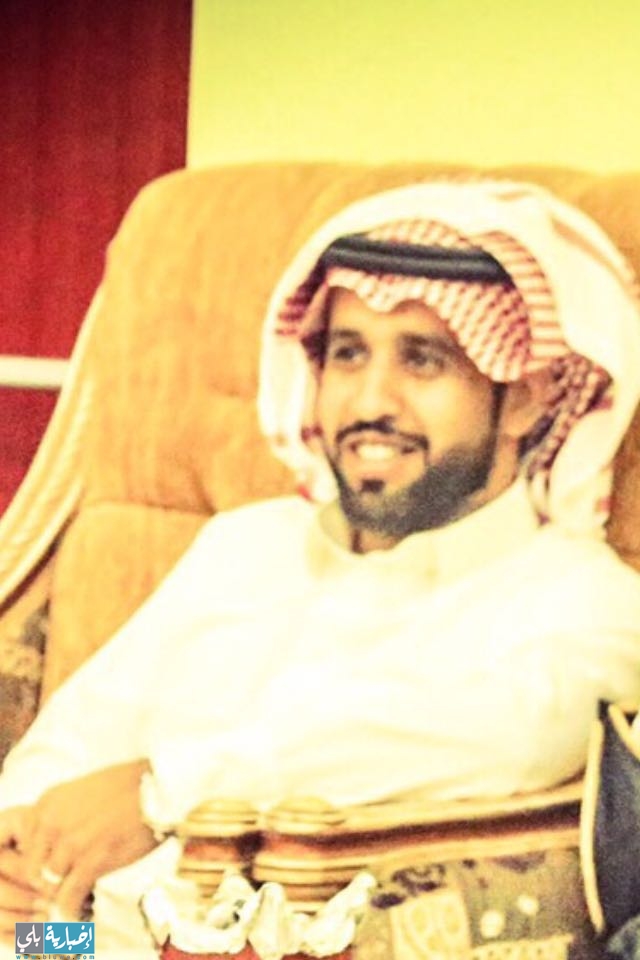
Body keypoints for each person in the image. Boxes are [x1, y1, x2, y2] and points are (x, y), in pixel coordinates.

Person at [1, 179, 640, 954]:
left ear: (528, 398)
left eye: (423, 360)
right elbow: (71, 745)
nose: (370, 401)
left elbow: (508, 734)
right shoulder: (245, 546)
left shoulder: (584, 601)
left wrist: (162, 793)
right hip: (80, 945)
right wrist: (24, 863)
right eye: (347, 355)